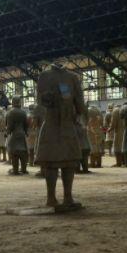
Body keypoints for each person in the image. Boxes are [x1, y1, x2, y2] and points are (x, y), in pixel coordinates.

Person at [34, 64, 84, 208]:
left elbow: (40, 102)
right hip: (66, 124)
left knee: (53, 163)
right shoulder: (72, 77)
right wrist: (79, 115)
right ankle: (67, 197)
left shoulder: (44, 76)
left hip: (51, 124)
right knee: (67, 162)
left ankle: (52, 198)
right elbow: (80, 104)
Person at [5, 97, 30, 175]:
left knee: (14, 152)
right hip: (22, 133)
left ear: (13, 102)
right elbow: (26, 124)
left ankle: (15, 170)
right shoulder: (23, 112)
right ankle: (24, 169)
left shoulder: (10, 112)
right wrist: (26, 132)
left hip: (14, 134)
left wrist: (7, 132)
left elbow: (10, 125)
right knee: (23, 152)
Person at [86, 104, 104, 169]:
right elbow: (102, 123)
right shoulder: (99, 111)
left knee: (92, 147)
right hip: (98, 131)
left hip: (90, 131)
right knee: (98, 147)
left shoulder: (88, 110)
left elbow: (86, 122)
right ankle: (99, 164)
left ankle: (93, 164)